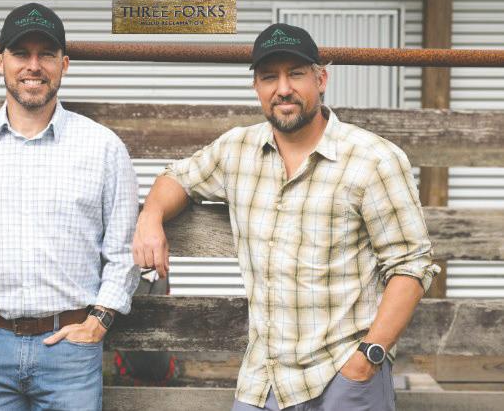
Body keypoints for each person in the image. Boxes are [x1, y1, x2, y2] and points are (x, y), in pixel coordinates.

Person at [133, 23, 440, 411]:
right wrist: (150, 216)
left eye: (295, 74)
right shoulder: (236, 150)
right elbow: (176, 177)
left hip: (344, 375)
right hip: (264, 380)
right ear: (256, 87)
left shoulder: (373, 160)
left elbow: (411, 266)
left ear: (321, 79)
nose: (282, 89)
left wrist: (368, 358)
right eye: (269, 77)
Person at [0, 3, 139, 411]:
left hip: (70, 351)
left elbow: (124, 249)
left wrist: (98, 323)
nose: (34, 66)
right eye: (21, 53)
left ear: (64, 64)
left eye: (47, 55)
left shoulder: (103, 148)